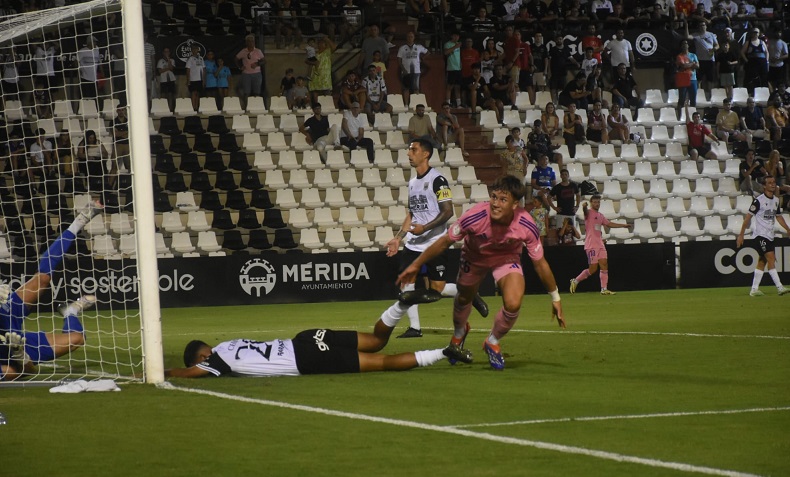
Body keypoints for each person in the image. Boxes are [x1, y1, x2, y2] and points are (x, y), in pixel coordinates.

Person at [396, 175, 566, 370]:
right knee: (463, 298)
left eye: (503, 200)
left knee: (513, 303)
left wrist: (555, 297)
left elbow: (540, 263)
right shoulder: (475, 215)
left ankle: (492, 342)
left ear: (514, 204)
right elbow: (444, 241)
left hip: (506, 258)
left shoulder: (526, 224)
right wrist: (416, 265)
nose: (495, 204)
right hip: (474, 257)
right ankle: (459, 335)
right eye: (493, 197)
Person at [165, 306, 473, 378]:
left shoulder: (216, 360)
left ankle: (444, 351)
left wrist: (160, 372)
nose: (203, 363)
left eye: (200, 359)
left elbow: (193, 373)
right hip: (305, 338)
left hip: (306, 359)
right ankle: (400, 305)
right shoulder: (230, 344)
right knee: (378, 342)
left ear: (202, 354)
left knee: (381, 362)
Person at [385, 138, 488, 339]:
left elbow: (448, 211)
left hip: (436, 243)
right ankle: (415, 327)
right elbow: (412, 213)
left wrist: (426, 227)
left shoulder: (438, 180)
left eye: (413, 150)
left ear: (426, 154)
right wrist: (398, 238)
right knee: (407, 282)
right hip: (413, 245)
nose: (409, 153)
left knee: (437, 289)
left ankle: (468, 293)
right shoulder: (412, 183)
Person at [1, 201, 103, 381]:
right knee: (77, 338)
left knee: (43, 278)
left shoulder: (4, 309)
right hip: (16, 349)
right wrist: (20, 355)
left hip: (10, 330)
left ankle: (80, 220)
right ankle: (71, 311)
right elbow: (28, 372)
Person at [737, 176, 790, 296]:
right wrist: (741, 235)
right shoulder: (758, 201)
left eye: (774, 182)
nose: (772, 184)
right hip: (760, 235)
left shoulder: (776, 200)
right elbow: (748, 217)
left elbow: (778, 216)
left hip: (769, 235)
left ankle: (754, 289)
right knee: (771, 257)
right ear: (764, 186)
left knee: (762, 261)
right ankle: (780, 287)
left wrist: (787, 228)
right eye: (770, 183)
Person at [570, 195, 633, 295]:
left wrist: (623, 225)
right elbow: (585, 212)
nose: (597, 204)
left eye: (598, 202)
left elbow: (609, 224)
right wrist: (584, 207)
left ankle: (604, 289)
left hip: (600, 244)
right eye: (595, 202)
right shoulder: (589, 213)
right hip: (591, 245)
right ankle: (576, 280)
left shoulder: (600, 215)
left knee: (604, 264)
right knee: (593, 269)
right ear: (591, 203)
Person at [397, 31, 429, 106]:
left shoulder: (418, 47)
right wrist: (403, 69)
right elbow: (399, 60)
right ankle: (406, 104)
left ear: (414, 38)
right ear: (406, 38)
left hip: (416, 71)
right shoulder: (402, 48)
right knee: (406, 88)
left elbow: (428, 52)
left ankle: (415, 104)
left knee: (416, 88)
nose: (410, 38)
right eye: (408, 36)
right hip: (406, 71)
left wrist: (422, 59)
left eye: (411, 36)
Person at [235, 35, 265, 107]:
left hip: (257, 73)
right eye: (249, 41)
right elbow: (236, 59)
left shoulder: (258, 51)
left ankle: (256, 107)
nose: (251, 43)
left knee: (257, 93)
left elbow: (264, 61)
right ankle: (246, 108)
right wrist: (240, 67)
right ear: (246, 42)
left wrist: (257, 64)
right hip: (246, 74)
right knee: (246, 93)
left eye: (252, 41)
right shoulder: (243, 51)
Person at [692, 22, 719, 91]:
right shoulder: (695, 35)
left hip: (710, 60)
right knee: (699, 79)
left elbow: (717, 45)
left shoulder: (711, 34)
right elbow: (687, 37)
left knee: (710, 79)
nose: (702, 27)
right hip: (700, 60)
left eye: (703, 25)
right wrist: (686, 26)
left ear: (706, 26)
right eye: (700, 25)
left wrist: (713, 49)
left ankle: (710, 96)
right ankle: (699, 95)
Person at [741, 28, 768, 94]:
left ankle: (763, 94)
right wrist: (747, 61)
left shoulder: (762, 42)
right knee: (752, 80)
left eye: (757, 32)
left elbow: (766, 52)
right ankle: (751, 93)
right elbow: (742, 52)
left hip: (762, 64)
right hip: (752, 64)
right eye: (754, 32)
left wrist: (766, 61)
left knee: (763, 79)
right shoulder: (748, 42)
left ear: (759, 34)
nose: (755, 34)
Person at [676, 40, 699, 115]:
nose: (685, 45)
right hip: (683, 79)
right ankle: (680, 116)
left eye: (686, 43)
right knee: (682, 99)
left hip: (693, 79)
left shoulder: (693, 55)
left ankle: (694, 116)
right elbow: (683, 66)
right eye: (683, 44)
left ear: (688, 46)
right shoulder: (679, 56)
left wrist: (689, 65)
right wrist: (692, 63)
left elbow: (697, 66)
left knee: (693, 99)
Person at [309, 36, 336, 102]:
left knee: (327, 97)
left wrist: (328, 39)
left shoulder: (327, 52)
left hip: (325, 79)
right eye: (319, 43)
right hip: (315, 77)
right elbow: (308, 62)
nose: (320, 45)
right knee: (315, 94)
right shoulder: (315, 53)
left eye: (322, 43)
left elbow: (334, 48)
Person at [185, 45, 205, 111]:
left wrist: (204, 80)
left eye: (196, 49)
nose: (195, 51)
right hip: (193, 79)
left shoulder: (201, 58)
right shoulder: (190, 59)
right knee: (193, 93)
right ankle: (193, 107)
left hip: (200, 79)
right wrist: (188, 80)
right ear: (191, 51)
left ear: (197, 50)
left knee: (198, 93)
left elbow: (203, 69)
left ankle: (197, 107)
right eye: (193, 49)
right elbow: (188, 69)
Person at [157, 47, 176, 112]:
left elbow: (171, 68)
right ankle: (163, 109)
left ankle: (170, 109)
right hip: (163, 80)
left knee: (170, 94)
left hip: (171, 79)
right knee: (163, 95)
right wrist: (167, 69)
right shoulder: (160, 61)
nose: (166, 53)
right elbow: (160, 71)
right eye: (165, 52)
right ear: (163, 53)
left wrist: (168, 60)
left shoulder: (172, 60)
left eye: (167, 51)